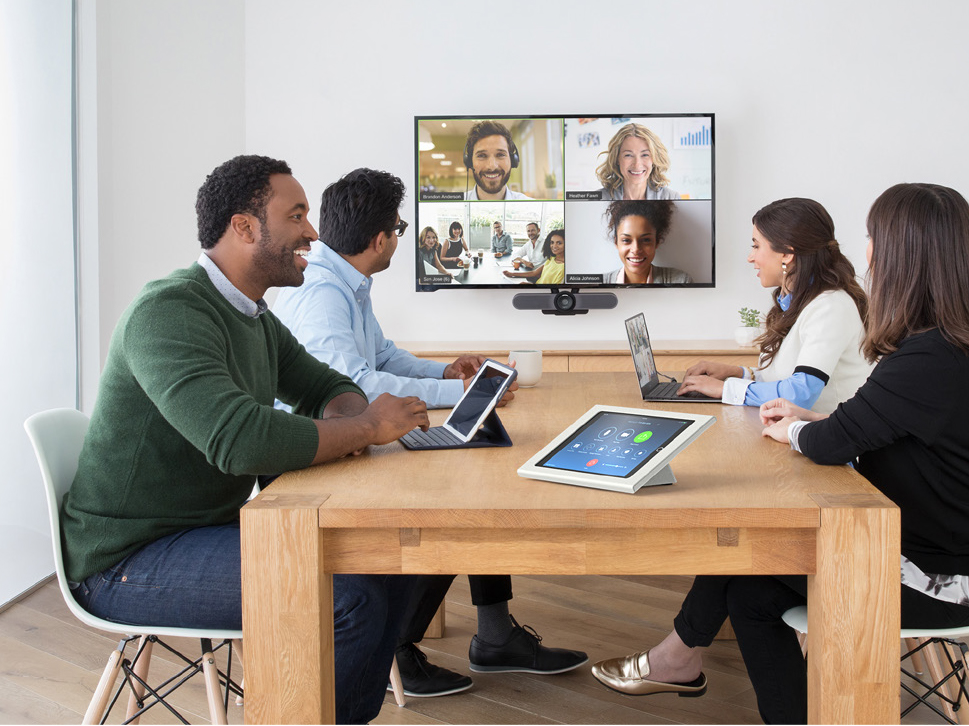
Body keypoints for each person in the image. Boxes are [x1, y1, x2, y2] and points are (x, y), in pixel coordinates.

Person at [595, 183, 969, 725]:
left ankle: (676, 659)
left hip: (946, 581)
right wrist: (810, 419)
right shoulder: (948, 345)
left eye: (872, 237)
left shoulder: (925, 356)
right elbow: (874, 422)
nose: (865, 251)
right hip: (944, 549)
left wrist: (794, 429)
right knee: (748, 589)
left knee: (746, 554)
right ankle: (681, 661)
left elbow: (830, 442)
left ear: (904, 254)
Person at [60, 155, 430, 725]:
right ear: (243, 226)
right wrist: (366, 428)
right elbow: (239, 439)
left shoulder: (254, 315)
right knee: (350, 597)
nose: (313, 232)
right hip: (128, 559)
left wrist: (355, 419)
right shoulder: (168, 311)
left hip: (207, 529)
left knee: (397, 559)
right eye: (297, 215)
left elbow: (324, 383)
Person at [274, 168, 587, 699]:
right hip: (324, 465)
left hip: (354, 445)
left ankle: (495, 635)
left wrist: (445, 372)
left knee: (478, 472)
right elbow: (355, 385)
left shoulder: (345, 281)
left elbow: (382, 354)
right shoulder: (322, 294)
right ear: (381, 239)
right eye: (398, 226)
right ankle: (394, 647)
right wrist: (460, 397)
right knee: (449, 507)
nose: (399, 235)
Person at [676, 197, 872, 412]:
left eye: (756, 246)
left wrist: (726, 389)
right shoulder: (798, 303)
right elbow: (784, 377)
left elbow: (800, 393)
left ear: (787, 254)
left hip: (826, 437)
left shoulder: (830, 307)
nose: (751, 257)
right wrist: (737, 373)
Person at [601, 200, 692, 284]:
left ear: (657, 241)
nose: (636, 249)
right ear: (616, 242)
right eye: (626, 240)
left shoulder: (681, 281)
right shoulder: (600, 285)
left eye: (646, 240)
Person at [596, 123, 681, 201]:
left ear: (654, 159)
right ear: (617, 159)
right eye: (628, 155)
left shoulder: (671, 198)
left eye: (645, 155)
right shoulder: (599, 199)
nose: (637, 164)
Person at [463, 120, 532, 200]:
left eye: (500, 155)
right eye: (482, 155)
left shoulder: (531, 207)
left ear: (512, 160)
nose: (492, 166)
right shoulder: (453, 206)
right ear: (470, 161)